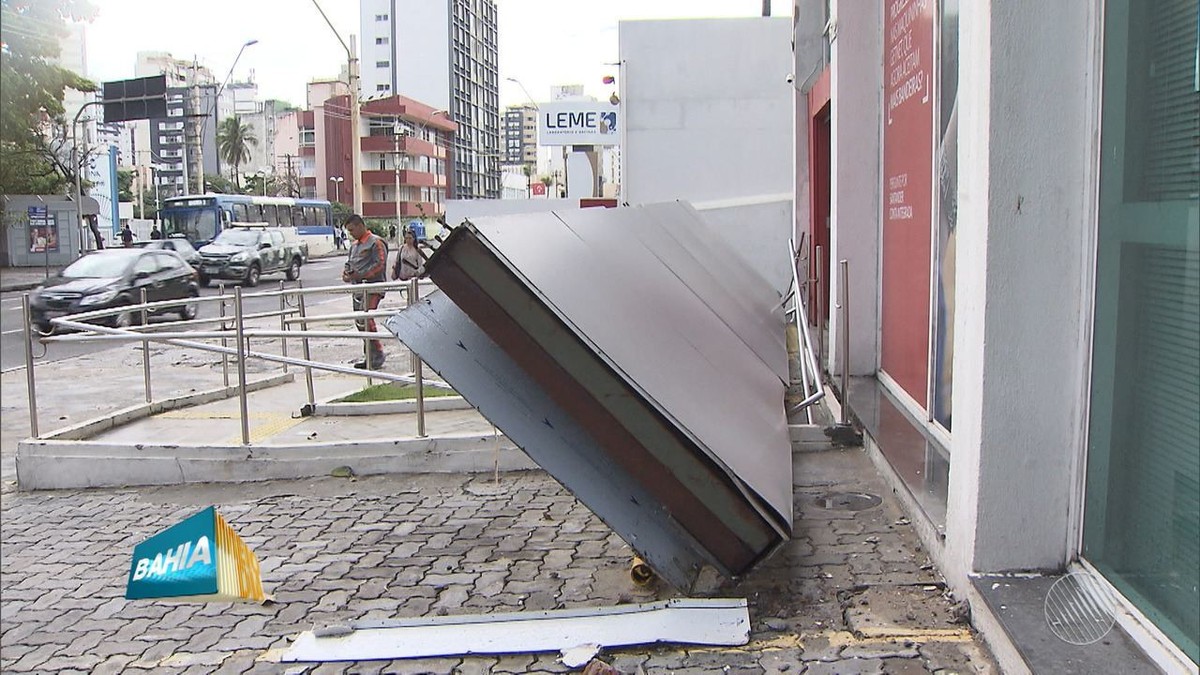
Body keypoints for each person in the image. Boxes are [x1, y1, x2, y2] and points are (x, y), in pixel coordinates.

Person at [341, 214, 388, 370]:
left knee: (366, 318)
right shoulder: (354, 246)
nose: (351, 233)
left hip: (373, 287)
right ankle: (369, 355)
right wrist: (347, 274)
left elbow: (379, 264)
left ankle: (378, 352)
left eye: (352, 230)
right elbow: (349, 264)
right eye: (349, 231)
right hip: (358, 289)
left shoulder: (376, 242)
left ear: (361, 226)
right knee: (360, 322)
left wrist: (361, 275)